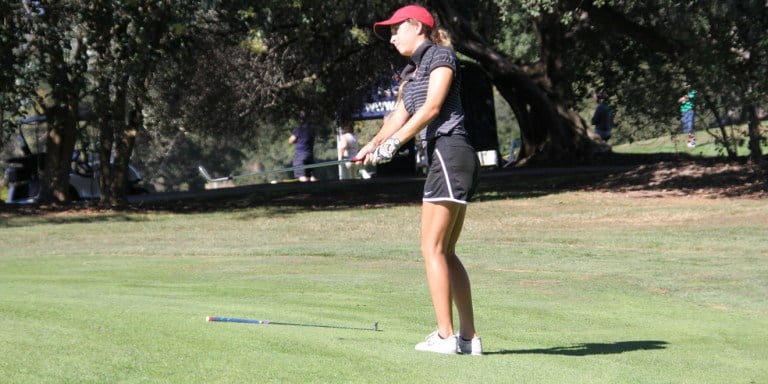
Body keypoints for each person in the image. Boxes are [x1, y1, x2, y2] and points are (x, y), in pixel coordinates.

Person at [357, 4, 481, 355]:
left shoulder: (441, 56)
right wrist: (370, 147)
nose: (392, 36)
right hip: (448, 159)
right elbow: (396, 118)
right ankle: (469, 339)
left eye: (397, 29)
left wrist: (396, 144)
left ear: (417, 26)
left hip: (450, 151)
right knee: (446, 251)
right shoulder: (411, 73)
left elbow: (432, 108)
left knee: (431, 249)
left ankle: (445, 337)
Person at [288, 111, 317, 182]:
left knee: (302, 177)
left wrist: (296, 140)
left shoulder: (299, 130)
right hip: (310, 155)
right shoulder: (312, 130)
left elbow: (290, 141)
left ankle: (306, 192)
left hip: (300, 156)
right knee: (311, 177)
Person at [678, 83, 697, 148]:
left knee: (690, 126)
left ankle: (692, 142)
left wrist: (684, 98)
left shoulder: (693, 91)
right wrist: (683, 98)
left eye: (686, 85)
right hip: (683, 111)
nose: (685, 87)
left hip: (690, 110)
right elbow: (679, 100)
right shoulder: (682, 93)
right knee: (687, 128)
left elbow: (688, 98)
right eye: (684, 86)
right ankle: (690, 140)